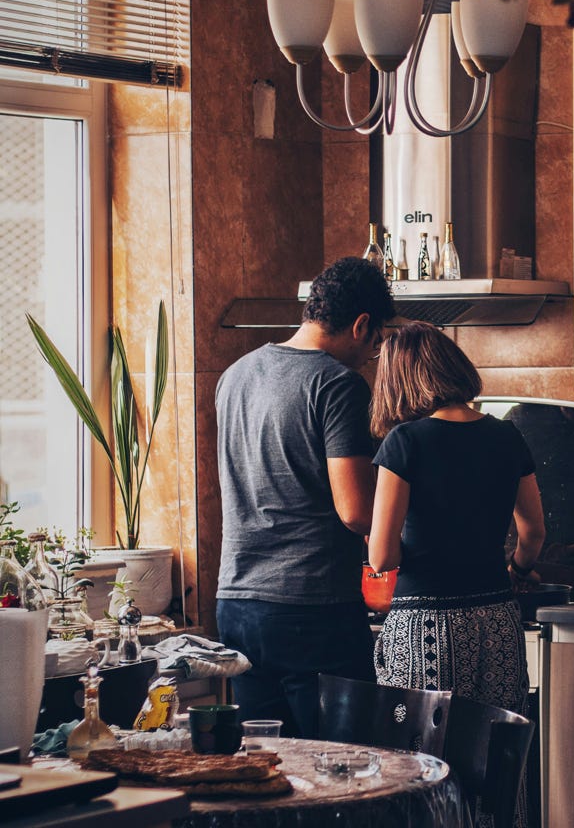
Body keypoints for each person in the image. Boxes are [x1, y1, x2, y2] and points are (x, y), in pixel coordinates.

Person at [214, 256, 395, 738]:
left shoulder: (235, 375)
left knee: (270, 769)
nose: (370, 356)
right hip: (310, 609)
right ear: (361, 325)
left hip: (236, 603)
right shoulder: (337, 384)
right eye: (376, 343)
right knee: (345, 771)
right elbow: (356, 512)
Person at [367, 322, 545, 720]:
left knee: (422, 758)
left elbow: (381, 558)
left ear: (399, 381)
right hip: (498, 617)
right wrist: (518, 568)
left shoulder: (405, 441)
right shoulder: (507, 435)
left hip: (425, 625)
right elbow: (533, 531)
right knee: (496, 753)